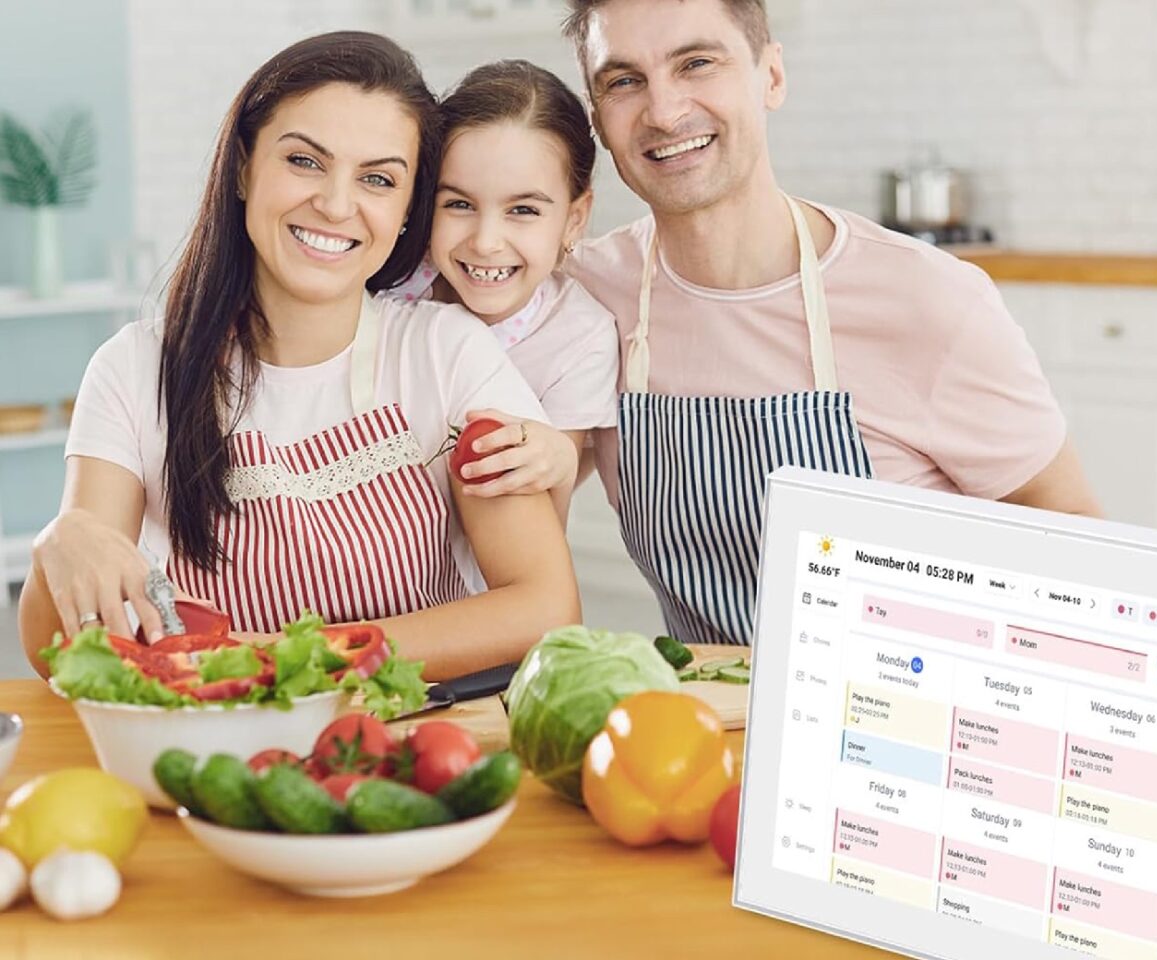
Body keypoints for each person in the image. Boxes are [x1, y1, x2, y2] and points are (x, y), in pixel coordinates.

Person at [18, 31, 580, 680]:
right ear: (242, 167)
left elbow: (542, 605)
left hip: (414, 747)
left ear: (406, 212)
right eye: (305, 162)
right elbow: (56, 647)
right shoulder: (136, 370)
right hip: (216, 752)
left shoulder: (446, 352)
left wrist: (288, 660)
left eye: (377, 178)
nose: (337, 204)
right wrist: (59, 544)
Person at [559, 0, 1102, 646]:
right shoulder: (587, 297)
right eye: (624, 81)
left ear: (772, 77)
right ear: (598, 119)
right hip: (704, 732)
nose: (665, 111)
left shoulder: (927, 300)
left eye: (697, 63)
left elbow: (1078, 545)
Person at [384, 60, 618, 523]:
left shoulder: (580, 338)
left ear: (574, 218)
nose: (486, 241)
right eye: (458, 204)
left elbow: (546, 516)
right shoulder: (388, 291)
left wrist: (557, 459)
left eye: (524, 210)